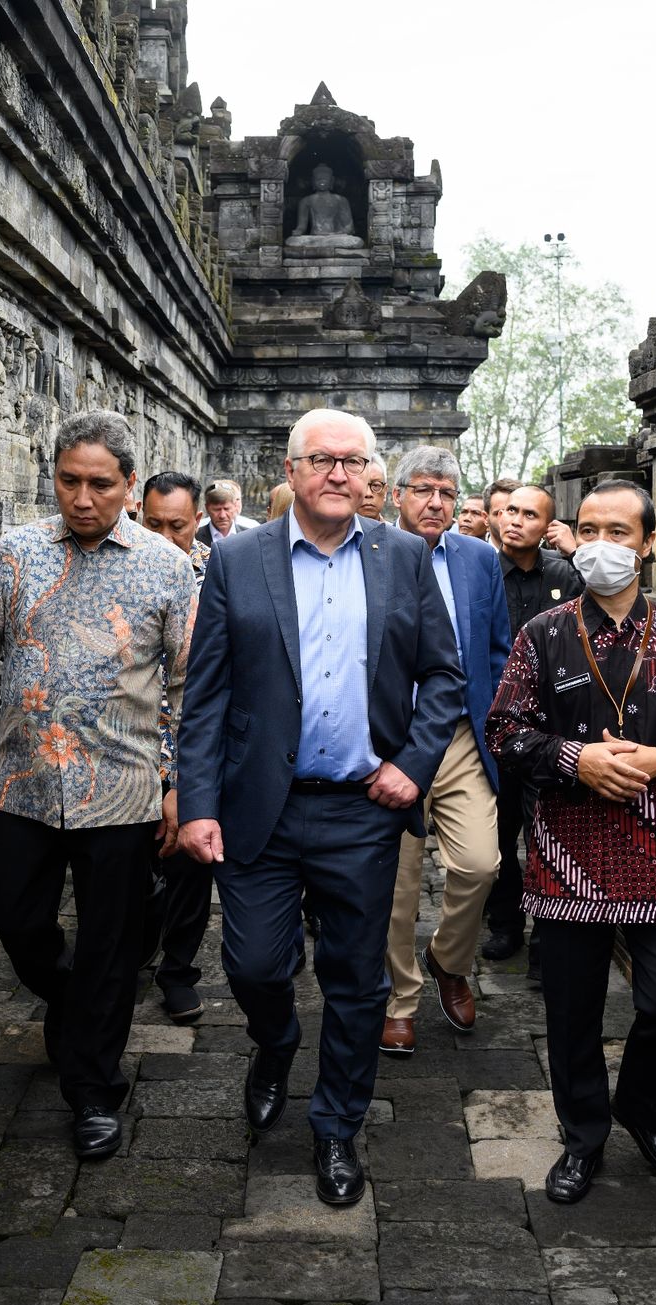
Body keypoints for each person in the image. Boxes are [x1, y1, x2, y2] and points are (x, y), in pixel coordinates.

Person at [177, 408, 462, 1207]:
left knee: (357, 983)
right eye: (321, 460)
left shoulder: (404, 557)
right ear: (293, 469)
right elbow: (207, 694)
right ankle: (275, 1041)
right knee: (255, 965)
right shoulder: (237, 559)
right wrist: (196, 801)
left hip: (362, 810)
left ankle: (336, 1127)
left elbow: (445, 677)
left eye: (353, 461)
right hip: (258, 807)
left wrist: (413, 764)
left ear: (371, 473)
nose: (339, 474)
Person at [0, 412, 197, 1162]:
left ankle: (92, 1091)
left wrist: (178, 783)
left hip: (121, 790)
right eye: (69, 481)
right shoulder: (16, 554)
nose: (83, 498)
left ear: (129, 487)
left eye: (100, 484)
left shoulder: (165, 568)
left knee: (111, 949)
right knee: (16, 919)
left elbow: (186, 686)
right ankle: (76, 1003)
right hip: (23, 781)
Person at [484, 479, 656, 1205]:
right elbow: (505, 730)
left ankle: (643, 1108)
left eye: (619, 532)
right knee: (572, 1012)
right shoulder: (546, 635)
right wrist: (576, 760)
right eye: (589, 529)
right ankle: (584, 1136)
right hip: (570, 849)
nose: (602, 545)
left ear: (648, 544)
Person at [381, 448, 508, 1056]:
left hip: (460, 735)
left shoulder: (481, 559)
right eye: (424, 490)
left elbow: (498, 650)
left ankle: (448, 960)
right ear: (397, 494)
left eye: (448, 493)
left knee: (481, 864)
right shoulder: (369, 552)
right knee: (398, 884)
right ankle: (398, 998)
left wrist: (497, 724)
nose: (436, 503)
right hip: (393, 741)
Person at [484, 481, 585, 975]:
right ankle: (504, 923)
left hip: (551, 729)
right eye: (509, 511)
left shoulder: (565, 575)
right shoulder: (483, 572)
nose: (514, 520)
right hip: (497, 725)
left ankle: (548, 937)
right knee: (498, 836)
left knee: (546, 833)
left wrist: (579, 551)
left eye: (528, 514)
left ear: (549, 526)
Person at [137, 471, 214, 1022]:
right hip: (127, 743)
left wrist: (182, 777)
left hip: (196, 740)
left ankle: (179, 969)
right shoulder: (117, 565)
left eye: (178, 527)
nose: (165, 539)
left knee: (192, 858)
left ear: (198, 521)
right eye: (153, 523)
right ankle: (135, 943)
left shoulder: (221, 573)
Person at [195, 479, 258, 546]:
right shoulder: (195, 538)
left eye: (227, 509)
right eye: (217, 510)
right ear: (207, 508)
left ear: (235, 506)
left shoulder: (250, 536)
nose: (222, 516)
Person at [358, 456, 390, 520]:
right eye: (362, 485)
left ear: (385, 492)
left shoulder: (394, 530)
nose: (368, 494)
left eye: (376, 486)